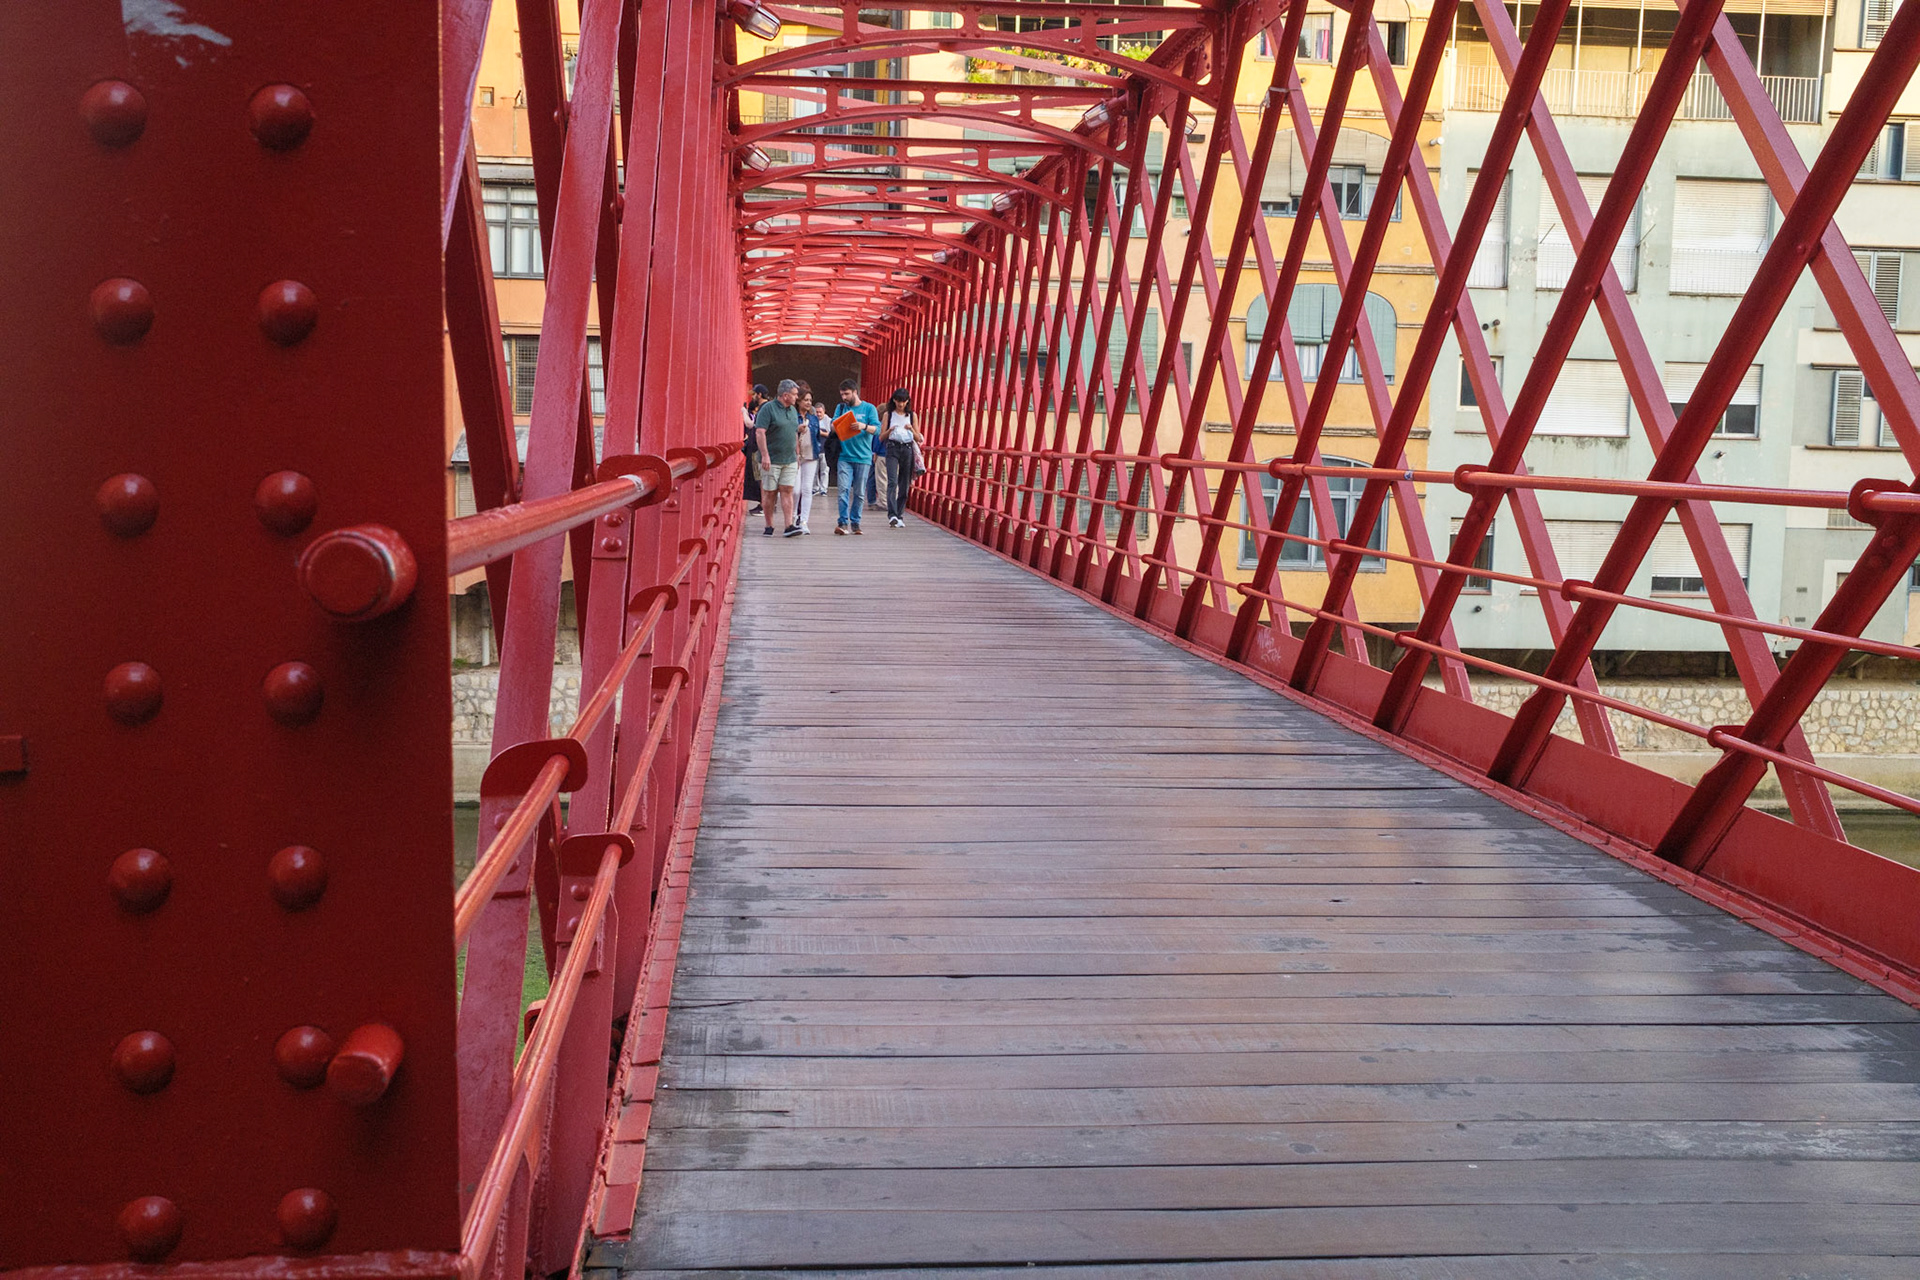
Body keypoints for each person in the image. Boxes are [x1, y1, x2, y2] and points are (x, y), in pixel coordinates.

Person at [753, 379, 804, 537]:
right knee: (770, 492)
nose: (797, 398)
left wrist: (797, 453)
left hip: (789, 459)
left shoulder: (793, 411)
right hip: (772, 459)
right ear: (785, 395)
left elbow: (794, 432)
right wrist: (765, 455)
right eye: (795, 395)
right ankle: (769, 525)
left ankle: (788, 525)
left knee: (787, 490)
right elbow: (760, 432)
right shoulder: (768, 409)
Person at [833, 379, 881, 535]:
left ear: (855, 392)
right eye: (842, 394)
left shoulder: (869, 409)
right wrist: (837, 424)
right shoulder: (841, 408)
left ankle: (855, 522)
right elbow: (833, 426)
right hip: (844, 456)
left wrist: (863, 426)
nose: (844, 398)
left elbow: (878, 430)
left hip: (863, 457)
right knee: (843, 489)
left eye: (847, 394)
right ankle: (842, 522)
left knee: (860, 492)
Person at [880, 388, 921, 528]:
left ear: (907, 401)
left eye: (903, 401)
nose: (901, 404)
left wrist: (911, 429)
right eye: (898, 401)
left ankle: (899, 514)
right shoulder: (888, 415)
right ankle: (892, 515)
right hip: (892, 447)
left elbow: (918, 437)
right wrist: (889, 431)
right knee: (892, 481)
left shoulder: (912, 416)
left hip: (907, 448)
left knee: (904, 483)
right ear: (894, 400)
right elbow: (881, 437)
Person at [792, 388, 827, 534]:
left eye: (810, 400)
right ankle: (793, 518)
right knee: (796, 490)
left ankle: (804, 521)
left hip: (811, 454)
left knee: (807, 489)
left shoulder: (813, 418)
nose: (808, 403)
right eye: (806, 400)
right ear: (799, 400)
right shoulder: (792, 416)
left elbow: (817, 435)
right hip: (795, 456)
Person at [743, 384, 768, 513]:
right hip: (762, 447)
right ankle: (764, 504)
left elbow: (750, 424)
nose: (752, 397)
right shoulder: (767, 407)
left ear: (759, 394)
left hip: (758, 448)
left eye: (754, 394)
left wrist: (743, 412)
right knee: (762, 477)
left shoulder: (763, 408)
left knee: (760, 477)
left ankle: (764, 505)